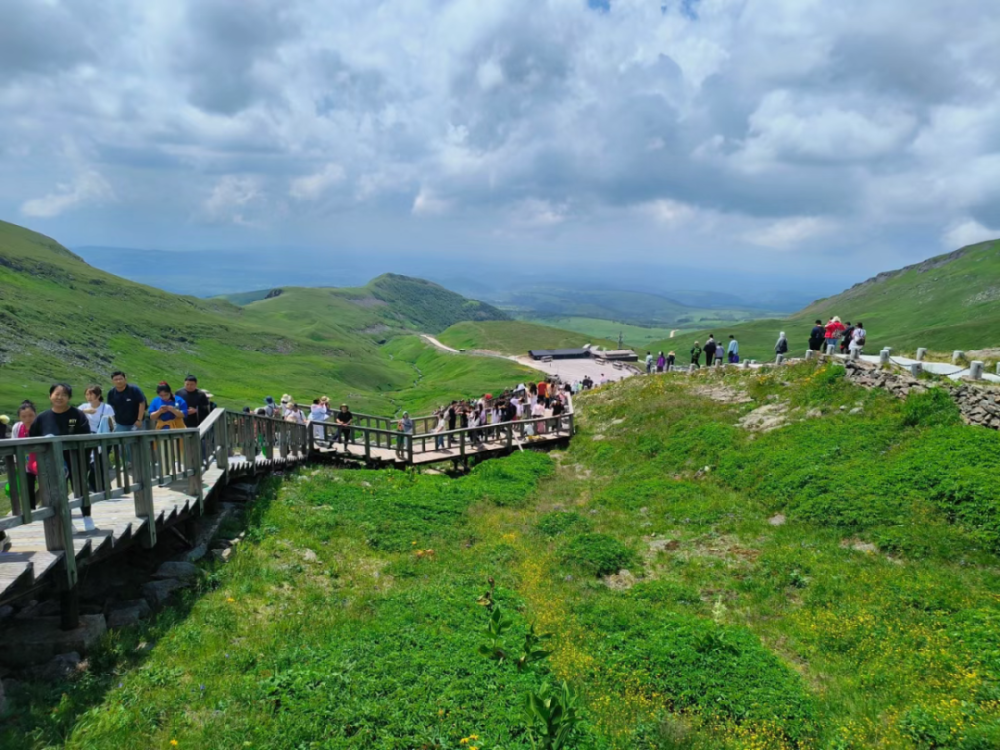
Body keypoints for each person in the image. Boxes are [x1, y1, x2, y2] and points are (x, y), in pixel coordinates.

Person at [31, 384, 94, 526]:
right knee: (59, 492)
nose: (59, 397)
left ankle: (87, 517)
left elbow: (86, 436)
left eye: (64, 395)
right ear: (50, 396)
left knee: (80, 488)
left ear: (69, 398)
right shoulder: (42, 417)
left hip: (76, 460)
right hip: (53, 461)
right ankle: (67, 521)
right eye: (56, 394)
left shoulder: (77, 414)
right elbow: (33, 438)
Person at [11, 401, 39, 511]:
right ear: (19, 417)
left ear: (35, 415)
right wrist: (16, 462)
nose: (28, 419)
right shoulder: (17, 428)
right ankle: (31, 511)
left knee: (47, 487)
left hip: (41, 461)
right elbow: (13, 444)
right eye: (24, 416)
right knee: (27, 487)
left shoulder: (41, 425)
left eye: (31, 415)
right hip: (26, 463)